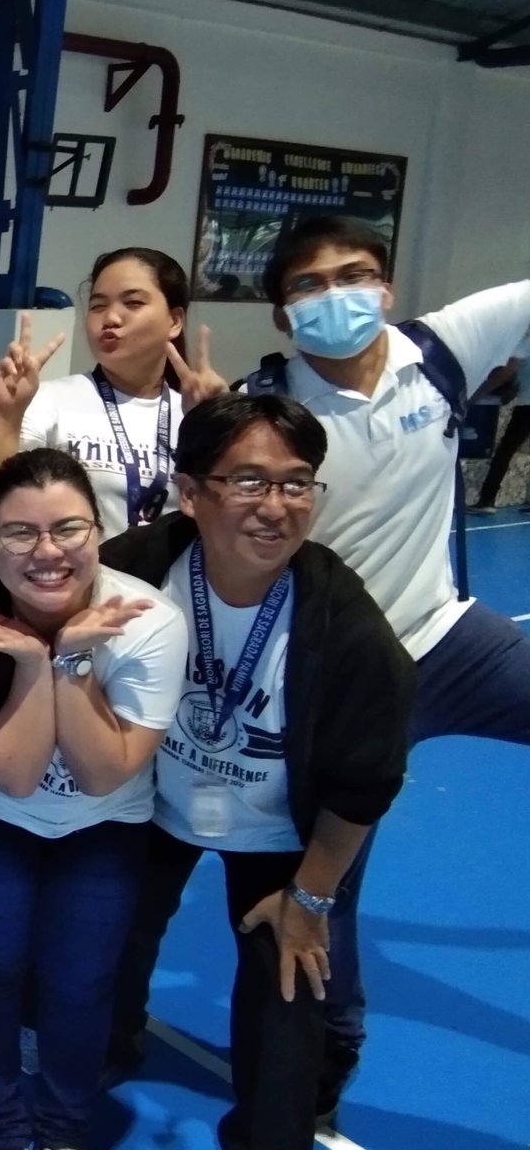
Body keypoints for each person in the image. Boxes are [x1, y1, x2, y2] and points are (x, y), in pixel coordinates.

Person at [172, 215, 530, 1117]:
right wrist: (213, 432)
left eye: (355, 274)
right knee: (322, 889)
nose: (336, 295)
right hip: (337, 680)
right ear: (283, 314)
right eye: (310, 285)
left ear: (388, 287)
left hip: (450, 639)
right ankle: (331, 1050)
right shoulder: (266, 410)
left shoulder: (440, 353)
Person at [98, 393, 412, 1149]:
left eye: (297, 483)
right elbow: (38, 578)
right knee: (110, 934)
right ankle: (106, 1043)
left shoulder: (350, 632)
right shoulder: (137, 567)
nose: (276, 507)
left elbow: (365, 786)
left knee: (290, 982)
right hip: (154, 802)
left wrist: (310, 897)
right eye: (249, 482)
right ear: (191, 492)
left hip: (279, 832)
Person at [0, 448, 185, 1150]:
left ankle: (65, 1127)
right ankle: (1, 1123)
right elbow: (11, 776)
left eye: (68, 529)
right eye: (19, 533)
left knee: (82, 981)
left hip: (105, 823)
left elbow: (106, 773)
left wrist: (70, 660)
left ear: (98, 532)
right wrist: (34, 667)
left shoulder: (150, 622)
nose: (47, 552)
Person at [0, 248, 212, 539]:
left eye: (133, 303)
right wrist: (6, 415)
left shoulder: (194, 413)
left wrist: (216, 426)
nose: (110, 318)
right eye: (98, 306)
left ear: (174, 321)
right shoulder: (49, 401)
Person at [469, 353, 530, 512]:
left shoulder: (523, 345)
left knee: (505, 452)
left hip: (527, 407)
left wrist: (476, 394)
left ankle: (486, 501)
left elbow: (505, 373)